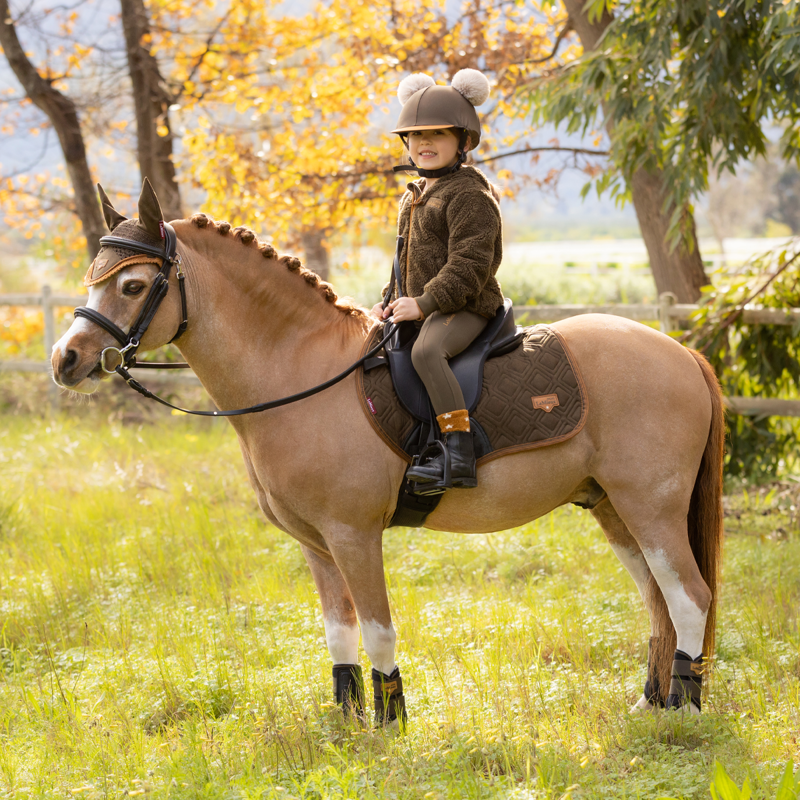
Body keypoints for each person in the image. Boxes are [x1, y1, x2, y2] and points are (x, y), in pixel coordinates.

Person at [370, 69, 505, 491]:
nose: (424, 143)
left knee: (427, 351)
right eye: (415, 136)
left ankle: (457, 450)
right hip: (425, 304)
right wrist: (389, 300)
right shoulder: (413, 195)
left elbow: (470, 263)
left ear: (463, 142)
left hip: (466, 306)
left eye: (438, 134)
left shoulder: (470, 194)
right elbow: (404, 261)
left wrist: (425, 304)